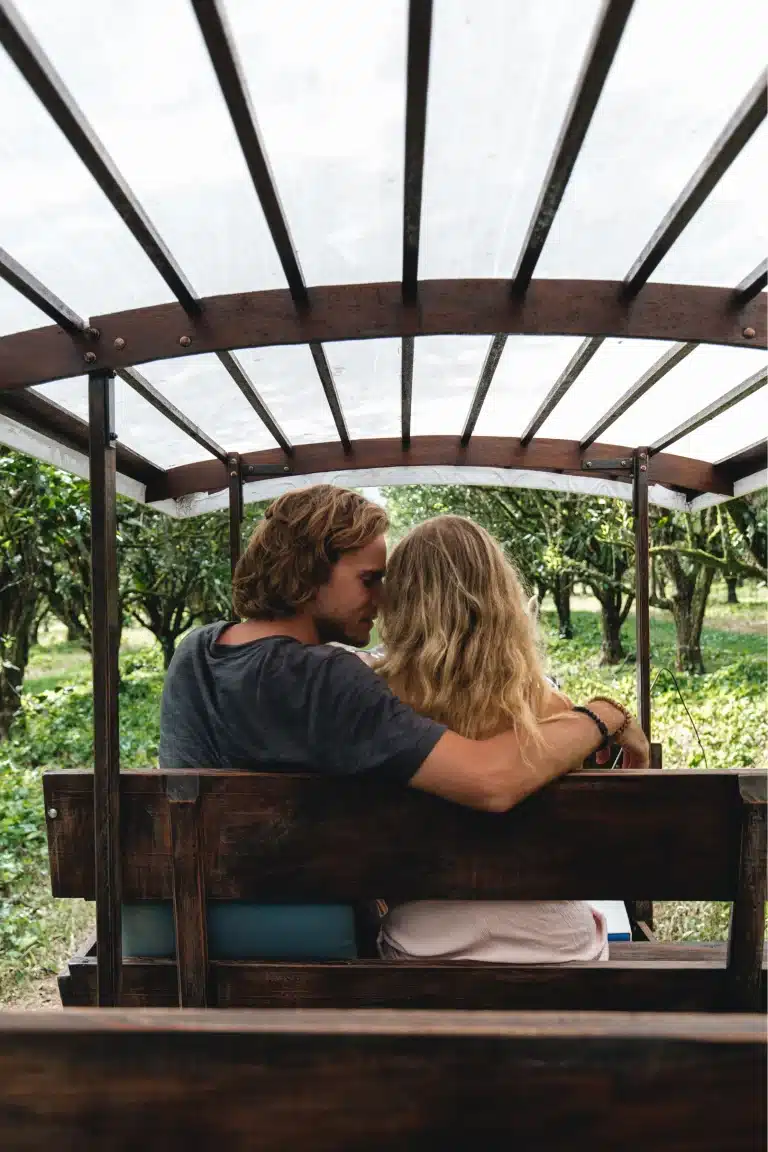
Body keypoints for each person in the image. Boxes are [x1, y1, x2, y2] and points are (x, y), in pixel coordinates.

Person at [135, 484, 647, 962]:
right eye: (368, 579)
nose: (383, 599)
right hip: (306, 933)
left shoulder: (196, 650)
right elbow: (490, 780)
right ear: (309, 572)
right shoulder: (329, 679)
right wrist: (606, 714)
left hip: (179, 916)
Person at [372, 514, 615, 963]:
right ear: (502, 597)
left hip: (425, 940)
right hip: (558, 943)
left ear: (399, 601)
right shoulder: (553, 710)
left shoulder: (375, 700)